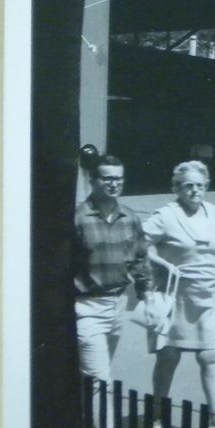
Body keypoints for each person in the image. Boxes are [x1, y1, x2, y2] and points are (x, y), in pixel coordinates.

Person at [142, 161, 215, 428]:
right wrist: (160, 263)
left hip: (210, 296)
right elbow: (137, 243)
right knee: (169, 356)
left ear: (206, 187)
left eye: (200, 185)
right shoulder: (166, 215)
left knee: (211, 356)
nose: (195, 191)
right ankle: (158, 414)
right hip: (176, 295)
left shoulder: (214, 213)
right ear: (177, 188)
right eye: (188, 186)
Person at [73, 155, 153, 387]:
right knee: (99, 380)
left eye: (118, 179)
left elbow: (140, 259)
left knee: (96, 376)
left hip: (117, 307)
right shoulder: (76, 219)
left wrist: (147, 296)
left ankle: (84, 422)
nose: (114, 184)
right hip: (87, 307)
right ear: (92, 179)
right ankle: (103, 425)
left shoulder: (130, 217)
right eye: (107, 178)